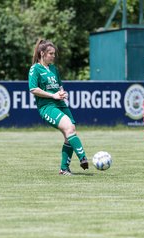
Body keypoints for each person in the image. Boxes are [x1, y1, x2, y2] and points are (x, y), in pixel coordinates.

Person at [28, 39, 88, 176]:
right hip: (47, 106)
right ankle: (83, 157)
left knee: (70, 134)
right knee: (70, 128)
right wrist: (53, 96)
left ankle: (64, 169)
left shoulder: (54, 69)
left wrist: (61, 93)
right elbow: (33, 89)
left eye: (54, 53)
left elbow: (59, 86)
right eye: (51, 53)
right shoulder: (35, 69)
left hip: (60, 104)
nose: (53, 56)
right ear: (42, 53)